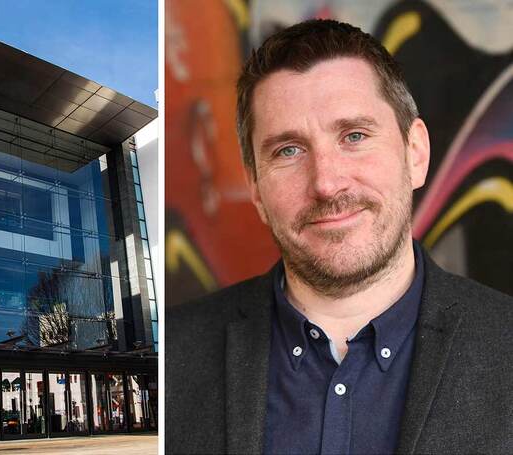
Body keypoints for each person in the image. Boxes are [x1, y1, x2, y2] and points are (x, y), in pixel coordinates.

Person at [165, 19, 513, 455]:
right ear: (256, 187)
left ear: (416, 153)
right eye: (288, 150)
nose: (326, 183)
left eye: (354, 136)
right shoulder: (176, 357)